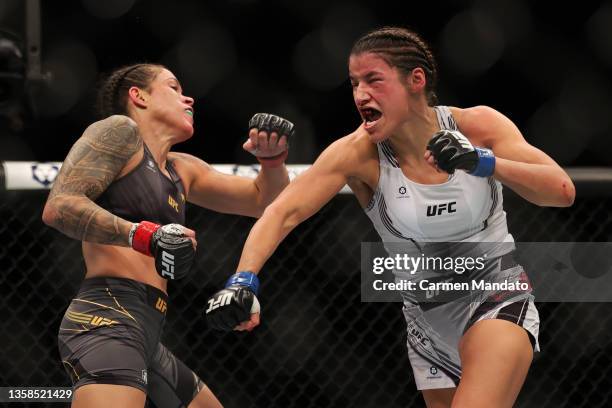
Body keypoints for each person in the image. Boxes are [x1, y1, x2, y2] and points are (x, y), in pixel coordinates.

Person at [205, 27, 575, 408]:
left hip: (497, 298)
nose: (360, 94)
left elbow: (561, 191)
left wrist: (482, 162)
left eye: (373, 80)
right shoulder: (357, 153)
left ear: (416, 80)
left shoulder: (477, 126)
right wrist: (243, 278)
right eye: (354, 83)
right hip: (426, 323)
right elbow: (281, 212)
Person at [42, 63, 294, 408]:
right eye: (174, 87)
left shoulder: (181, 169)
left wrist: (273, 162)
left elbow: (265, 203)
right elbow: (59, 206)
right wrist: (146, 235)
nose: (188, 96)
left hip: (148, 329)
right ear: (138, 96)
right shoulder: (118, 132)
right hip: (107, 317)